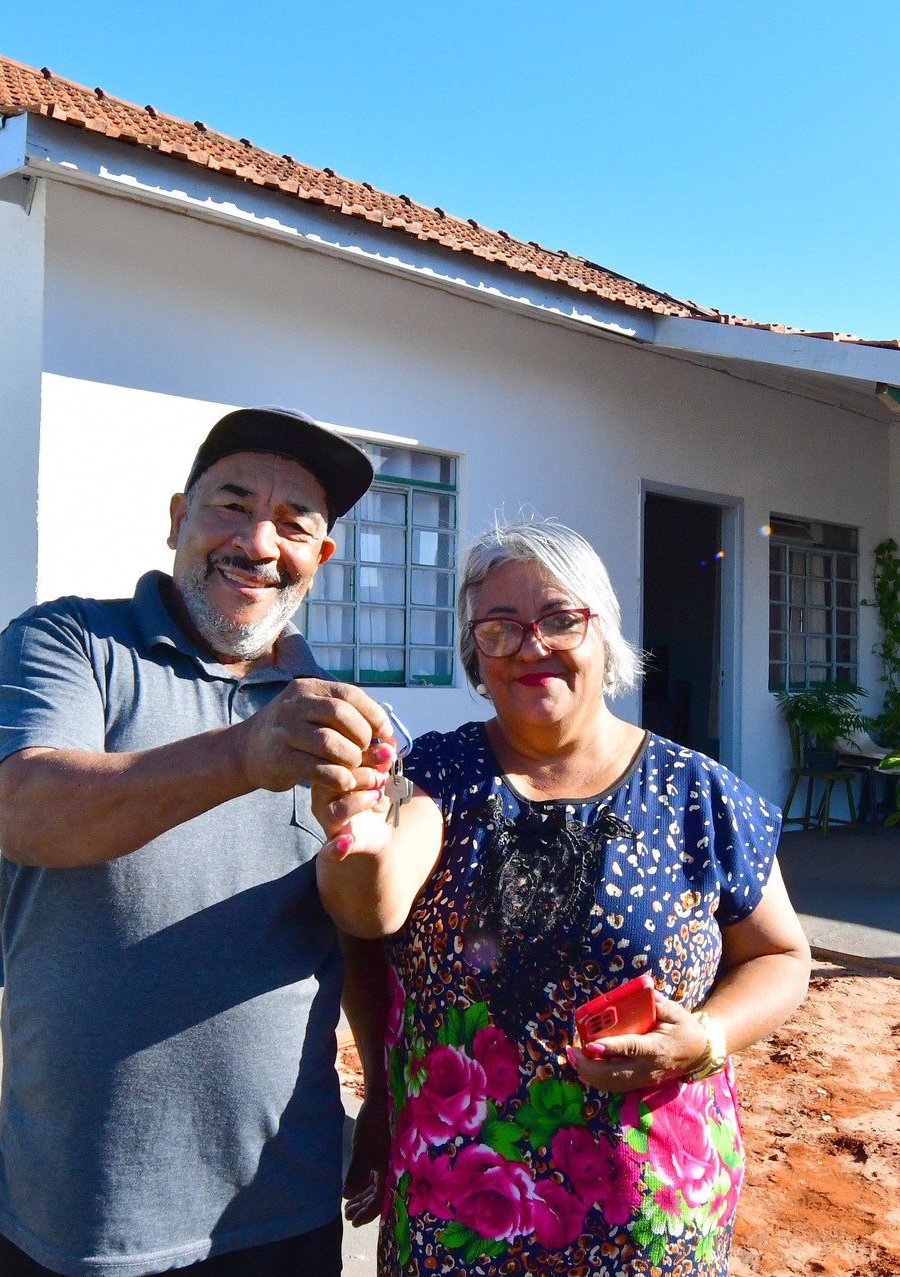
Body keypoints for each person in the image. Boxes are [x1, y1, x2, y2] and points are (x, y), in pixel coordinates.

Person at [315, 517, 812, 1274]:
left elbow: (783, 954)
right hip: (461, 1215)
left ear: (603, 635)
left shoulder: (696, 792)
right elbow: (371, 907)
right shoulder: (443, 775)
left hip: (646, 1216)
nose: (531, 646)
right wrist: (355, 823)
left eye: (558, 620)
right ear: (475, 658)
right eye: (500, 628)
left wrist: (706, 1038)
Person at [0, 406, 396, 1277]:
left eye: (293, 524)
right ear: (177, 516)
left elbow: (356, 928)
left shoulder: (340, 717)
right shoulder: (69, 643)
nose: (257, 541)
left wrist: (387, 1090)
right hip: (76, 1214)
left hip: (281, 1210)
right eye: (231, 505)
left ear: (322, 558)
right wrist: (246, 752)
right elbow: (30, 810)